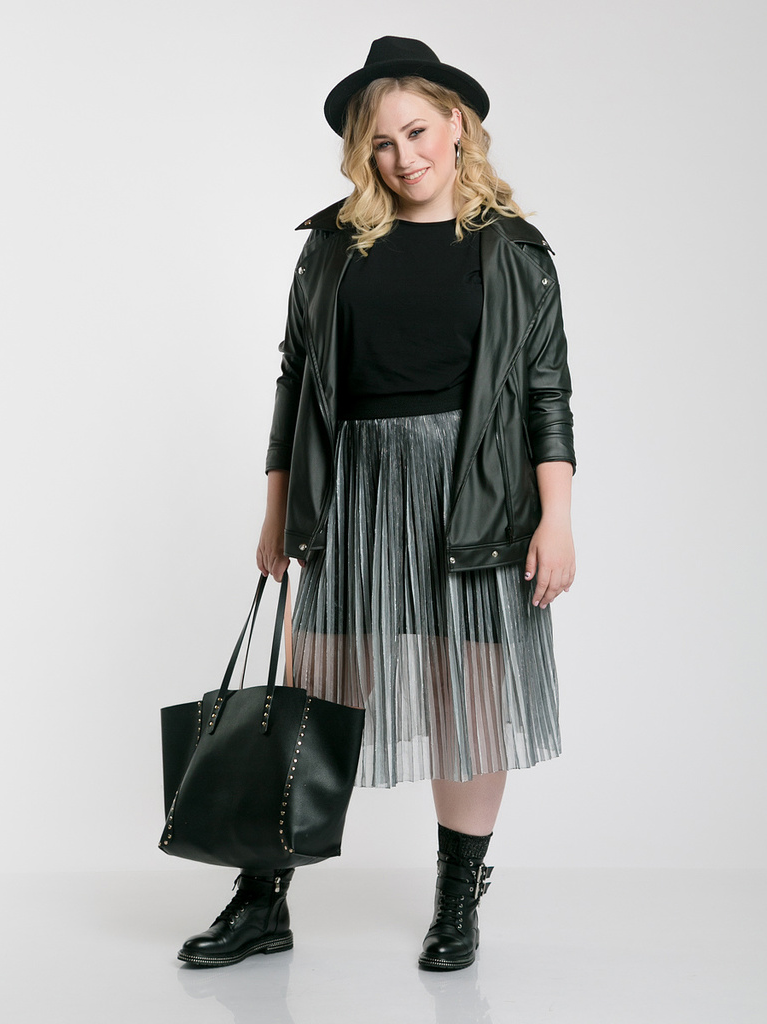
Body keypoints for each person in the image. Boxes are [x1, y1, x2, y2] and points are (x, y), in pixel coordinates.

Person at [177, 35, 576, 972]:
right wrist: (278, 510)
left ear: (457, 125)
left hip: (474, 491)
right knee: (316, 692)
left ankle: (456, 900)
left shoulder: (516, 253)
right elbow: (295, 382)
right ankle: (262, 899)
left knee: (471, 695)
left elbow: (545, 393)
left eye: (417, 131)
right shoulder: (330, 248)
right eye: (382, 143)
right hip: (352, 486)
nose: (404, 157)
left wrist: (557, 517)